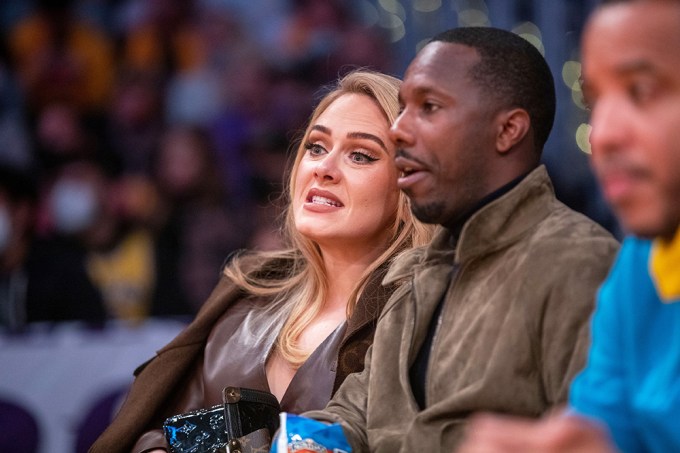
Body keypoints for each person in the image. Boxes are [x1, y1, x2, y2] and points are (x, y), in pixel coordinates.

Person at [303, 27, 620, 452]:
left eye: (429, 107)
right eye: (401, 110)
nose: (397, 130)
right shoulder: (416, 272)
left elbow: (596, 439)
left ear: (508, 130)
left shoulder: (580, 262)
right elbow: (351, 418)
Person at [89, 69, 433, 453]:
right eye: (316, 147)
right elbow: (159, 428)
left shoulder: (425, 313)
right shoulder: (247, 290)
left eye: (360, 155)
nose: (323, 168)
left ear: (410, 188)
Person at [457, 1, 680, 452]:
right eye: (594, 100)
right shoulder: (643, 261)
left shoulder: (586, 255)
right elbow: (605, 425)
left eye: (640, 90)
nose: (603, 133)